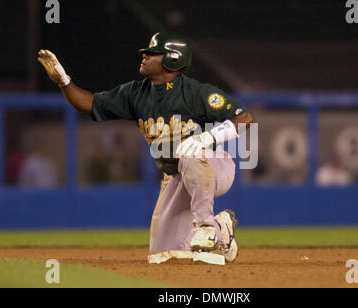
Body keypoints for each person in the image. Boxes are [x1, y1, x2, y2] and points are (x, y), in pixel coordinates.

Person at [37, 32, 254, 262]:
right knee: (161, 254)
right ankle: (222, 230)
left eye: (152, 53)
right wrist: (64, 82)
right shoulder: (135, 93)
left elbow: (245, 117)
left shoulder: (194, 92)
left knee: (191, 153)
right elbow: (90, 104)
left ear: (172, 59)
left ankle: (206, 226)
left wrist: (206, 138)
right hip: (176, 176)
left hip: (214, 166)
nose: (144, 56)